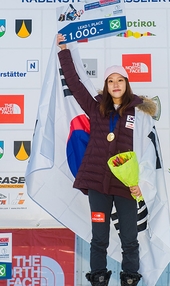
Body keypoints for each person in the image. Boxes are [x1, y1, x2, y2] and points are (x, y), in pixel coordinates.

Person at [56, 33, 159, 286]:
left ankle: (130, 280)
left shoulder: (139, 112)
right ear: (106, 84)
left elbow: (147, 150)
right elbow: (75, 83)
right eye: (110, 80)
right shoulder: (95, 107)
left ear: (127, 83)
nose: (115, 84)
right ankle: (99, 279)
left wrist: (141, 183)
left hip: (125, 185)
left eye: (120, 80)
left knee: (130, 238)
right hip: (98, 183)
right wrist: (63, 51)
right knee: (99, 236)